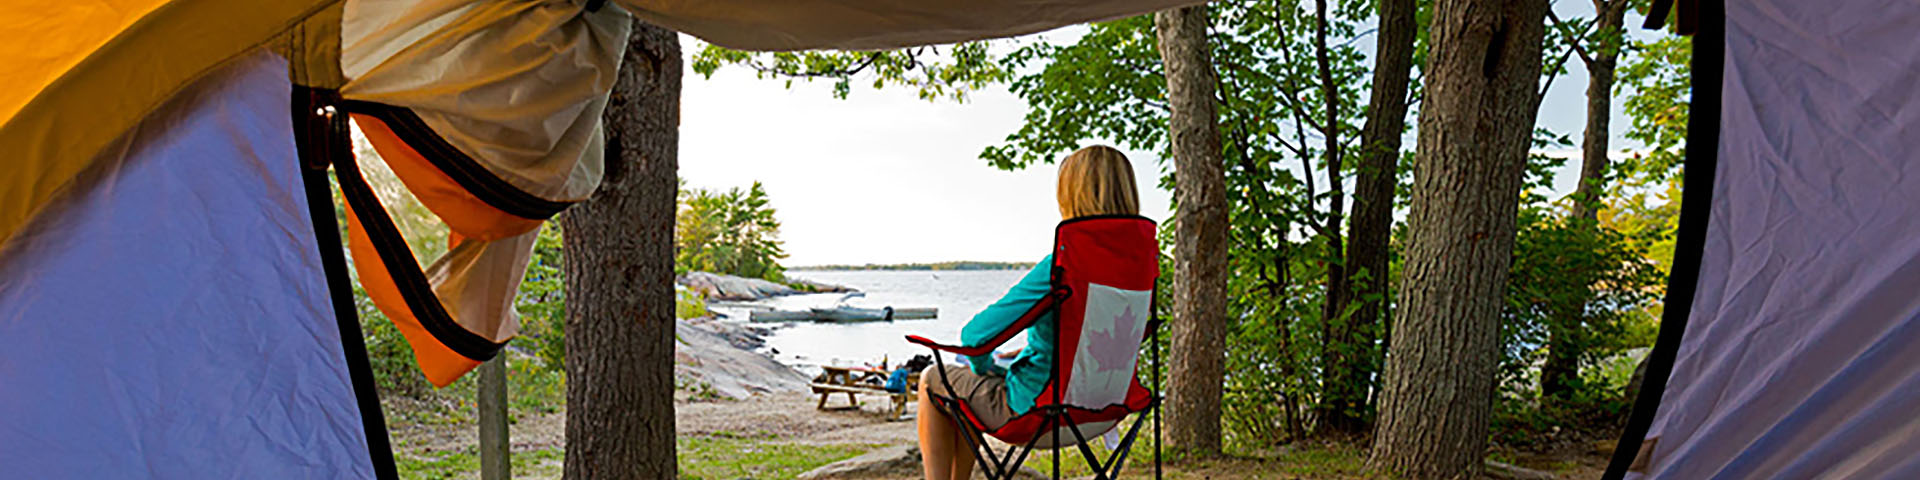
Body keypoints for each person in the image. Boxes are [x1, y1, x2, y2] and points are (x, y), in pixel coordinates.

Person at [916, 145, 1141, 480]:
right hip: (1106, 411)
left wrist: (985, 366)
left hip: (1041, 416)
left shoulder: (1064, 265)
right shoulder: (1139, 267)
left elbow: (975, 336)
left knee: (934, 379)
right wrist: (1032, 352)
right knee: (968, 387)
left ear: (1072, 196)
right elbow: (1099, 337)